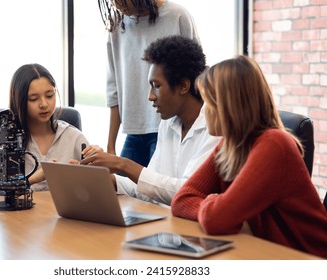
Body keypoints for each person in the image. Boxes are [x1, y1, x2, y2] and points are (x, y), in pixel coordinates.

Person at [171, 55, 327, 258]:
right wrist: (216, 204)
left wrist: (213, 204)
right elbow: (181, 200)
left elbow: (217, 220)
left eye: (208, 103)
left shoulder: (274, 144)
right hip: (266, 252)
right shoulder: (230, 145)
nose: (204, 111)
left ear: (228, 107)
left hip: (308, 258)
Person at [78, 35, 220, 206]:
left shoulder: (217, 128)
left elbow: (188, 192)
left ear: (183, 86)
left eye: (157, 86)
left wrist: (122, 164)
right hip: (168, 227)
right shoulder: (168, 124)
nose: (150, 96)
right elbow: (151, 188)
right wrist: (104, 178)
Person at [98, 0, 200, 167]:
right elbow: (113, 89)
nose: (115, 4)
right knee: (118, 187)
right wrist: (110, 145)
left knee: (155, 188)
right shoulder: (117, 24)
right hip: (133, 131)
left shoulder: (177, 16)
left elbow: (197, 74)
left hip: (171, 129)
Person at [0, 63, 89, 195]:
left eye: (50, 95)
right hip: (20, 216)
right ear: (19, 101)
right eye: (33, 99)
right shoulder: (7, 140)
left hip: (64, 214)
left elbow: (98, 186)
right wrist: (30, 180)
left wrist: (84, 175)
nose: (44, 104)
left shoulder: (74, 138)